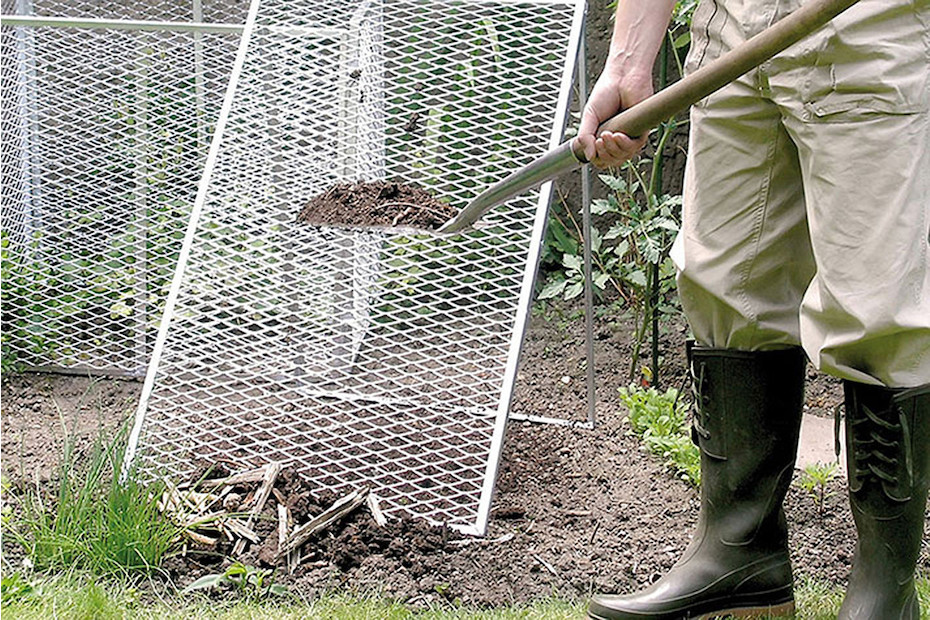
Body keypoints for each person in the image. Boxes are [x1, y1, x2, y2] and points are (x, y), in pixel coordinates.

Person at [576, 0, 930, 618]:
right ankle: (741, 555)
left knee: (879, 313)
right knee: (729, 287)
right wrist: (629, 59)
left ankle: (885, 590)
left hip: (870, 25)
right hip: (732, 33)